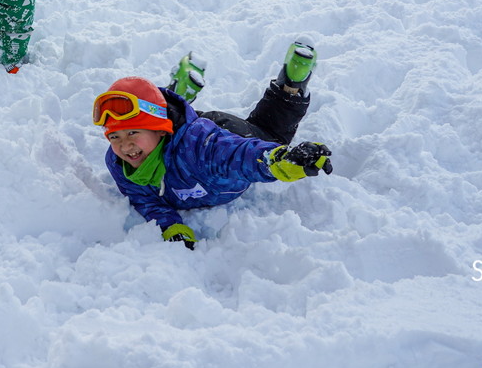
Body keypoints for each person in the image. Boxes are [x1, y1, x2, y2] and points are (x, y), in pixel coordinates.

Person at [93, 44, 332, 249]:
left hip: (226, 135)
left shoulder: (201, 149)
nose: (125, 145)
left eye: (133, 132)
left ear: (159, 128)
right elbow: (145, 199)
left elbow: (241, 155)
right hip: (186, 127)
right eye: (114, 136)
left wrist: (279, 160)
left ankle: (291, 85)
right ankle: (179, 93)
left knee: (271, 135)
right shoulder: (120, 164)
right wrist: (171, 225)